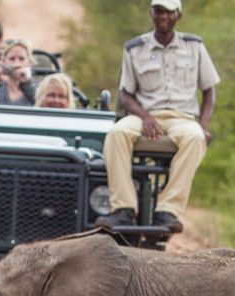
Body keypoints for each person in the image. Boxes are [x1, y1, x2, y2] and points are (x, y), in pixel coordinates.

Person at [94, 0, 219, 233]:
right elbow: (125, 93)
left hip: (182, 117)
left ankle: (168, 210)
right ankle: (124, 209)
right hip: (145, 115)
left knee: (195, 138)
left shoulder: (194, 46)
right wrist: (145, 117)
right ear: (151, 13)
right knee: (116, 133)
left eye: (168, 12)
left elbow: (209, 89)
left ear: (178, 15)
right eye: (158, 11)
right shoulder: (135, 48)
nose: (163, 16)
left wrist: (203, 125)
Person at [0, 38, 36, 106]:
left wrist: (27, 82)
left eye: (22, 59)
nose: (17, 63)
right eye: (12, 59)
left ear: (29, 62)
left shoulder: (37, 88)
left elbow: (40, 105)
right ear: (4, 62)